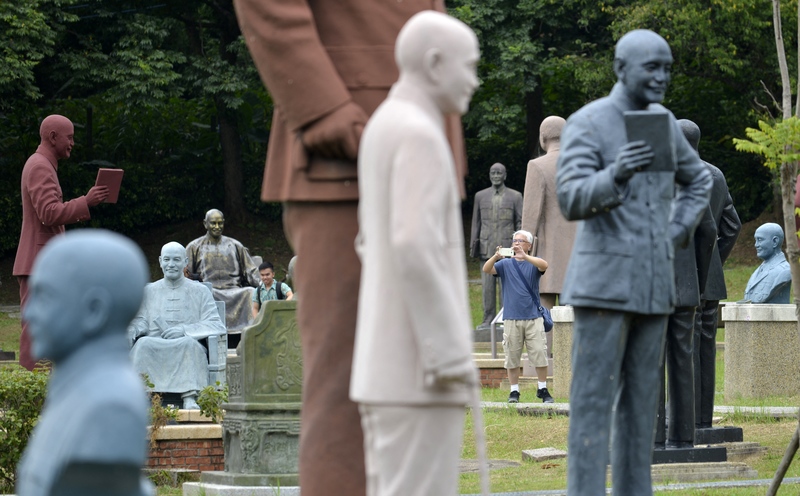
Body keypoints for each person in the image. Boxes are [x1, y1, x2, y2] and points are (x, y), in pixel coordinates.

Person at [232, 0, 467, 494]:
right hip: (344, 155)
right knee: (348, 387)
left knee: (418, 384)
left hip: (419, 144)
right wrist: (325, 110)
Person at [555, 29, 711, 495]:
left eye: (667, 67)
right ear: (621, 69)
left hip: (653, 285)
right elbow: (570, 198)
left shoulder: (663, 122)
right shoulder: (588, 122)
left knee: (641, 411)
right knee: (591, 404)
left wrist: (674, 232)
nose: (663, 76)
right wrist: (616, 173)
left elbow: (697, 182)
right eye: (652, 67)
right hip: (602, 285)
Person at [350, 12, 479, 496]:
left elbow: (369, 240)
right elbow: (412, 243)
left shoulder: (385, 124)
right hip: (419, 370)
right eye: (469, 66)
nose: (475, 79)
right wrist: (448, 352)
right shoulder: (420, 134)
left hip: (387, 364)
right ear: (434, 63)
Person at [16, 230, 153, 496]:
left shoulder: (109, 408)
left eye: (44, 297)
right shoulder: (77, 392)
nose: (28, 312)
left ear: (94, 311)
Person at [13, 114, 109, 370]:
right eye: (69, 137)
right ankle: (31, 389)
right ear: (53, 137)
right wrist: (85, 201)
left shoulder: (42, 164)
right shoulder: (40, 166)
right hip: (38, 263)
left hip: (43, 262)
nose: (72, 143)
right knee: (34, 328)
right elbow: (49, 213)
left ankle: (43, 384)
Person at [677, 120, 741, 431]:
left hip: (682, 273)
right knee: (705, 345)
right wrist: (714, 259)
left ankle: (684, 418)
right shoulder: (715, 174)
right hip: (710, 273)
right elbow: (732, 225)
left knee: (682, 345)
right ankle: (703, 417)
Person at [129, 242, 226, 410]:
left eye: (176, 260)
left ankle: (189, 396)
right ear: (160, 261)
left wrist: (184, 330)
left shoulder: (200, 291)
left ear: (185, 262)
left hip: (186, 343)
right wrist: (133, 329)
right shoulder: (149, 291)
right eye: (166, 260)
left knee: (188, 345)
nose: (171, 264)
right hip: (155, 342)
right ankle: (142, 396)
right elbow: (142, 321)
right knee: (142, 344)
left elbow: (216, 324)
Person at [482, 230, 552, 404]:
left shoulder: (533, 263)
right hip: (511, 318)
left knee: (539, 355)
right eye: (514, 240)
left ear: (529, 245)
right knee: (512, 357)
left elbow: (544, 265)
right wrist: (495, 257)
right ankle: (514, 391)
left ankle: (542, 389)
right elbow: (487, 269)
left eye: (521, 241)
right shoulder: (505, 264)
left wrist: (525, 256)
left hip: (534, 317)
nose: (517, 243)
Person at [521, 115, 574, 310]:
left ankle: (547, 342)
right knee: (575, 318)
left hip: (547, 256)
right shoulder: (583, 165)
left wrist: (521, 252)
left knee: (544, 315)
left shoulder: (537, 166)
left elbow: (529, 219)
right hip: (578, 257)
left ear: (543, 138)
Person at [185, 209, 260, 331]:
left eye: (220, 223)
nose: (217, 227)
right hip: (209, 291)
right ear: (205, 224)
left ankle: (251, 331)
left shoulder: (235, 245)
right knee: (203, 294)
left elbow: (250, 271)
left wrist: (266, 286)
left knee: (250, 292)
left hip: (235, 291)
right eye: (213, 223)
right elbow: (186, 274)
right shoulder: (194, 247)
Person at [470, 163, 523, 328]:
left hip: (508, 249)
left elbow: (520, 222)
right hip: (487, 248)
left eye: (499, 173)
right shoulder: (480, 196)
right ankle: (488, 319)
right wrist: (474, 247)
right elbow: (475, 223)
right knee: (487, 288)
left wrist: (519, 246)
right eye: (493, 172)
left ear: (505, 175)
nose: (496, 176)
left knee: (506, 286)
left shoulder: (515, 196)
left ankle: (505, 318)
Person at [743, 223, 792, 303]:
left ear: (775, 242)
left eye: (760, 240)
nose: (756, 245)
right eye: (756, 240)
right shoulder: (759, 270)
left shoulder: (784, 271)